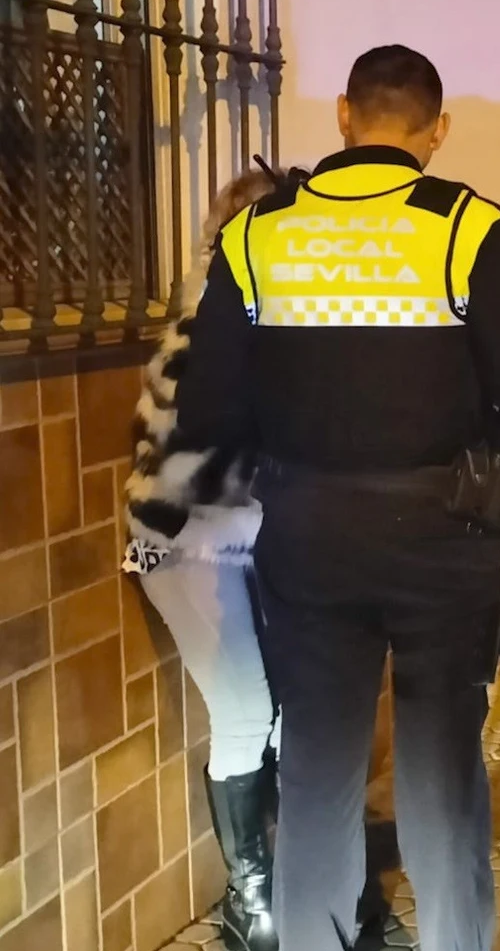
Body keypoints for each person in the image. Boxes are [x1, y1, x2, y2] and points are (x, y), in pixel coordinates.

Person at [171, 44, 500, 951]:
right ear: (437, 131)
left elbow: (207, 409)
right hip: (442, 532)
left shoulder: (256, 234)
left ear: (344, 116)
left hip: (305, 533)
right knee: (438, 774)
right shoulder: (468, 227)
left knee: (316, 769)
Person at [122, 169, 288, 951]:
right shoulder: (216, 324)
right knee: (250, 712)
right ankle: (249, 901)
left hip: (245, 543)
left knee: (291, 715)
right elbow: (212, 451)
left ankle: (286, 876)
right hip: (185, 541)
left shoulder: (256, 316)